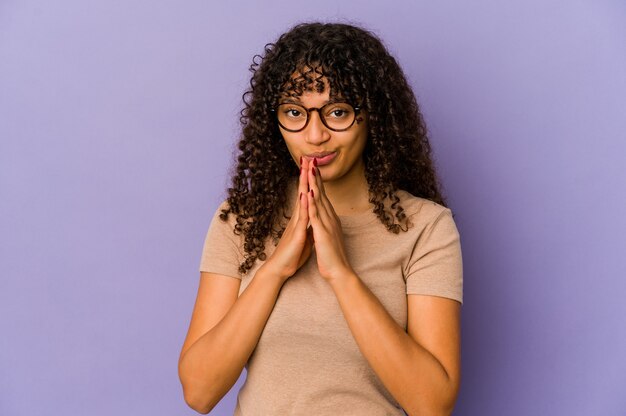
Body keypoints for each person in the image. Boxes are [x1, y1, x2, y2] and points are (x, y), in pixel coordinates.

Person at [178, 22, 463, 416]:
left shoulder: (426, 227)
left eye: (338, 112)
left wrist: (341, 273)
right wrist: (276, 268)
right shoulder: (241, 219)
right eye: (294, 112)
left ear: (372, 116)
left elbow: (432, 403)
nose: (315, 135)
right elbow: (199, 390)